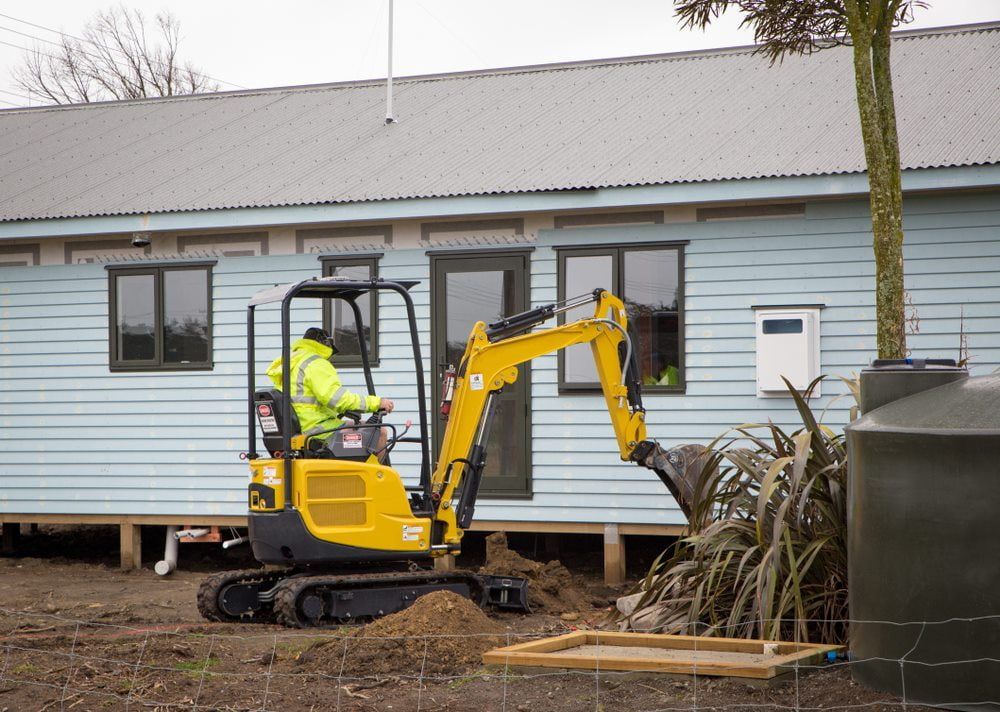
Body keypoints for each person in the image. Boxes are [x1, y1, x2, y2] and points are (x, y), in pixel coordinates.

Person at [266, 327, 394, 456]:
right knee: (379, 432)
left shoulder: (291, 363)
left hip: (300, 428)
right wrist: (377, 403)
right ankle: (377, 475)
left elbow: (310, 401)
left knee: (362, 429)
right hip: (317, 429)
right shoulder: (316, 363)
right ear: (325, 344)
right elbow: (338, 400)